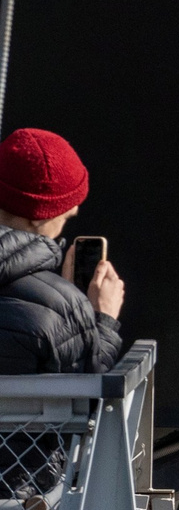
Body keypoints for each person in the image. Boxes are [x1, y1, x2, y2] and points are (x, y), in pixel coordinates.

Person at [0, 129, 125, 376]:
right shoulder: (65, 311)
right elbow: (87, 397)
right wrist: (102, 320)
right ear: (40, 217)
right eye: (67, 216)